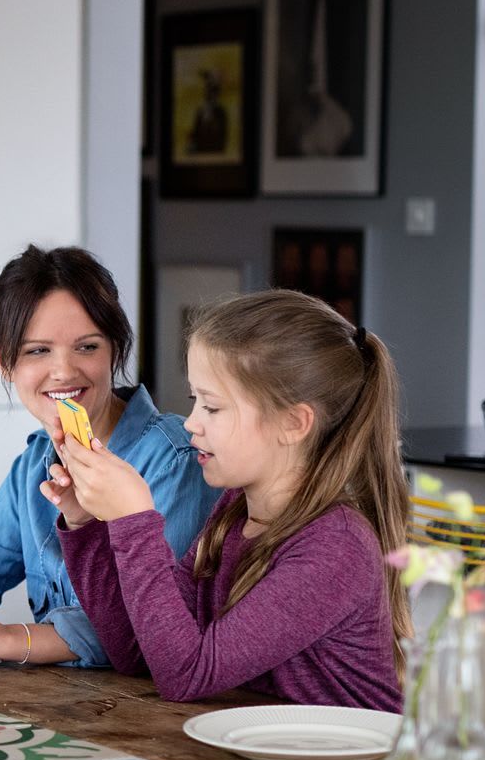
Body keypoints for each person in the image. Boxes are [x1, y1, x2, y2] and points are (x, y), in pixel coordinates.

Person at [49, 290, 407, 711]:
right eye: (193, 402)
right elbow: (135, 653)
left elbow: (187, 675)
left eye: (213, 408)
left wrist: (133, 521)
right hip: (269, 757)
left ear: (294, 423)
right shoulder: (234, 513)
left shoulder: (336, 546)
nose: (192, 423)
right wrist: (86, 524)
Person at [0, 246, 221, 666]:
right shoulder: (35, 463)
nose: (65, 371)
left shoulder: (175, 458)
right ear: (2, 360)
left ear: (115, 349)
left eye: (87, 347)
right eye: (37, 351)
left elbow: (149, 634)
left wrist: (5, 638)